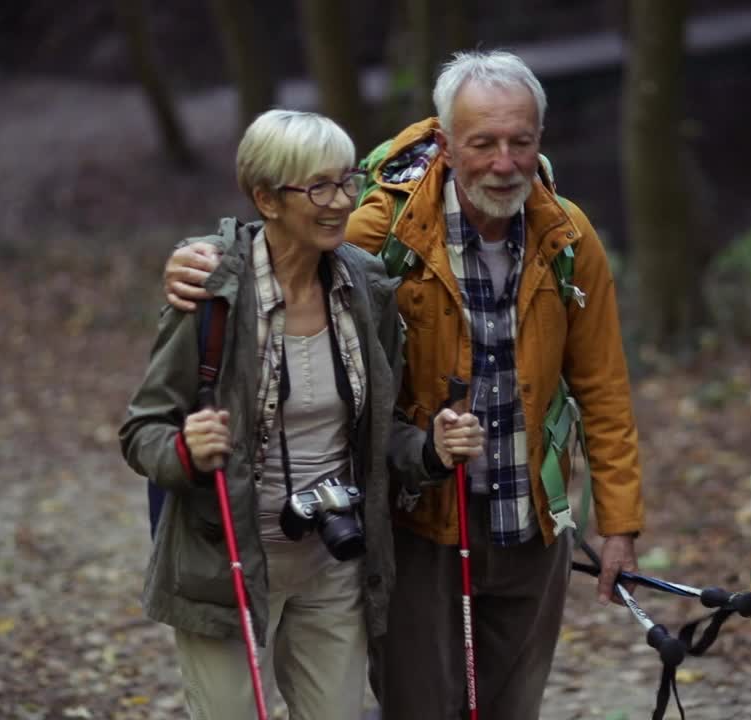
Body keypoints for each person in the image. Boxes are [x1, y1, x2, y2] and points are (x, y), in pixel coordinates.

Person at [164, 51, 645, 720]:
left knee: (513, 708)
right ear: (446, 143)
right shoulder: (382, 229)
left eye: (521, 143)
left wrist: (619, 521)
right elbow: (284, 243)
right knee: (419, 704)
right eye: (483, 144)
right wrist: (200, 258)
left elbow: (602, 384)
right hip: (417, 519)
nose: (505, 163)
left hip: (533, 521)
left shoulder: (567, 235)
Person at [120, 109, 484, 720]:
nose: (341, 201)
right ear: (266, 197)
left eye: (346, 182)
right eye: (318, 187)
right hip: (226, 566)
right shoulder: (212, 296)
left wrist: (432, 451)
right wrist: (185, 449)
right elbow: (141, 430)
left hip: (332, 561)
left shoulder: (366, 288)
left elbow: (380, 432)